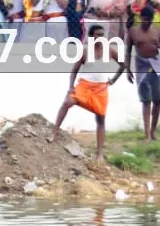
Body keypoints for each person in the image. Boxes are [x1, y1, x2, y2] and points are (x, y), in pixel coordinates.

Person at [50, 25, 126, 159]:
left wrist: (113, 80)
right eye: (97, 35)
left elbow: (123, 65)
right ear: (91, 37)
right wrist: (71, 87)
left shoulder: (109, 50)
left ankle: (99, 153)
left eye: (102, 34)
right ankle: (54, 133)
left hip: (100, 89)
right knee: (67, 102)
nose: (100, 37)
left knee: (100, 119)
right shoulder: (85, 51)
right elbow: (74, 70)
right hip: (84, 86)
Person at [129, 5, 160, 142]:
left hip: (156, 68)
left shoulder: (156, 31)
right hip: (142, 68)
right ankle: (147, 135)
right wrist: (127, 70)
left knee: (158, 100)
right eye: (145, 19)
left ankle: (153, 132)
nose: (147, 22)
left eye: (149, 20)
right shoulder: (133, 32)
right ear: (140, 18)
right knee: (146, 101)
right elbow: (127, 51)